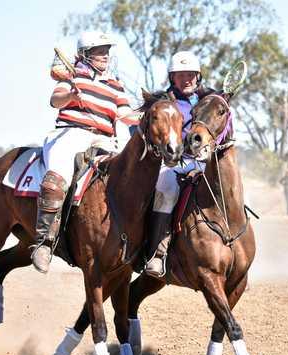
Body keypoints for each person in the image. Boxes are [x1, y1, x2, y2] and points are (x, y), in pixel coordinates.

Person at [31, 31, 138, 273]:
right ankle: (44, 242)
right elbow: (55, 100)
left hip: (104, 140)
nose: (105, 56)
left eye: (107, 51)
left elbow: (126, 116)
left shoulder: (115, 84)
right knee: (55, 180)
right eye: (100, 51)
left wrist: (150, 114)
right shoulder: (71, 75)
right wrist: (70, 94)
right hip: (70, 134)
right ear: (85, 54)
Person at [144, 51, 217, 277]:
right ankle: (158, 253)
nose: (186, 79)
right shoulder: (163, 103)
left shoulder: (209, 99)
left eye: (190, 74)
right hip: (175, 162)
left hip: (205, 161)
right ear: (172, 78)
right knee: (166, 189)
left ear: (198, 76)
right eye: (180, 75)